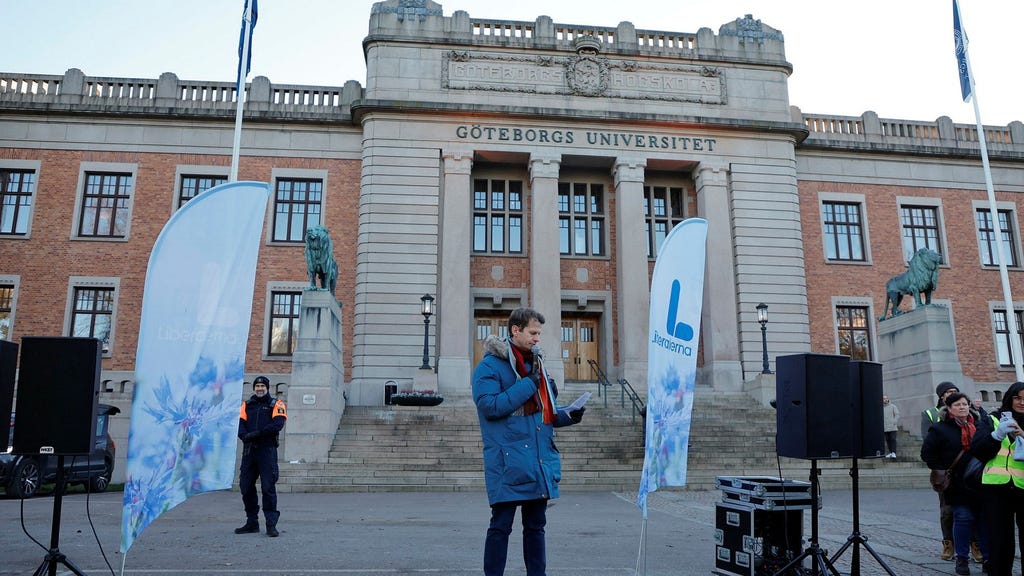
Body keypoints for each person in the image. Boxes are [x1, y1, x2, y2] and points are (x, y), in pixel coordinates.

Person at [472, 307, 585, 576]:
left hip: (537, 460)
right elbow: (489, 406)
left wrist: (569, 415)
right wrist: (530, 384)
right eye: (533, 333)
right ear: (515, 330)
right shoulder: (489, 366)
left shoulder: (536, 364)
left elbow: (545, 413)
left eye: (539, 334)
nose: (537, 339)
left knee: (536, 527)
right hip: (508, 461)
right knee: (500, 527)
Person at [921, 392, 990, 575]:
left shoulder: (980, 425)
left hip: (981, 481)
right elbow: (927, 454)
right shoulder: (940, 429)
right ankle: (962, 559)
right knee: (963, 518)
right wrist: (943, 469)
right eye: (958, 405)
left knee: (983, 521)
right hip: (957, 484)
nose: (962, 407)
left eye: (965, 404)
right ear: (949, 408)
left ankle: (987, 557)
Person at [972, 381, 1024, 576]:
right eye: (1017, 398)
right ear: (1010, 398)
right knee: (1000, 540)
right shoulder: (992, 419)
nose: (1021, 402)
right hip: (996, 488)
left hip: (1023, 486)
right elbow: (978, 450)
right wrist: (998, 434)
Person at [235, 375, 288, 537]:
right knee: (245, 487)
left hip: (267, 451)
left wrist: (257, 434)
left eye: (262, 386)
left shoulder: (276, 404)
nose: (259, 388)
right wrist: (245, 436)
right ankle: (252, 522)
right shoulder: (246, 405)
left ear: (267, 388)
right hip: (249, 451)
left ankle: (271, 524)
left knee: (268, 488)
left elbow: (277, 425)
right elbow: (240, 425)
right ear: (254, 388)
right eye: (257, 386)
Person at [922, 381, 960, 561]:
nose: (951, 394)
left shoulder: (967, 410)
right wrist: (939, 469)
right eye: (948, 392)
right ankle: (948, 543)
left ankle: (974, 545)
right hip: (945, 470)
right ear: (941, 396)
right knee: (947, 510)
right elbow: (927, 443)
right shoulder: (931, 414)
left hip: (966, 469)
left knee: (971, 510)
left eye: (954, 391)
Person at [883, 394, 901, 459]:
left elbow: (897, 414)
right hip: (885, 427)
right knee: (887, 440)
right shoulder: (881, 408)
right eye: (883, 399)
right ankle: (890, 453)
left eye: (885, 398)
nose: (884, 400)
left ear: (888, 399)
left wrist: (894, 421)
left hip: (892, 427)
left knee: (892, 439)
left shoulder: (893, 406)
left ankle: (894, 453)